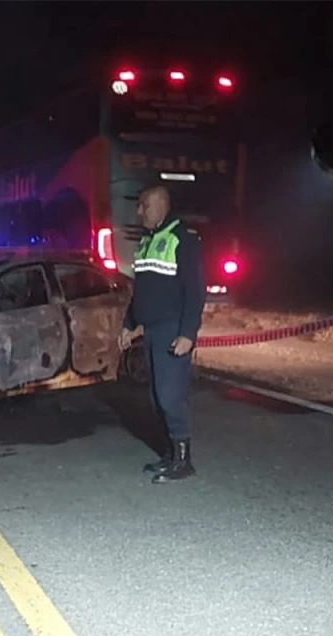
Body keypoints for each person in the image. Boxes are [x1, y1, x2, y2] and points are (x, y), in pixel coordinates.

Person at [117, 185, 206, 483]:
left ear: (161, 205)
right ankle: (170, 454)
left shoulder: (183, 240)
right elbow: (140, 292)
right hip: (152, 330)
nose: (139, 211)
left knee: (170, 396)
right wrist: (130, 324)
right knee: (156, 398)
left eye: (144, 205)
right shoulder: (147, 242)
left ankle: (184, 461)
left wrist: (187, 333)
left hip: (172, 330)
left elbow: (194, 290)